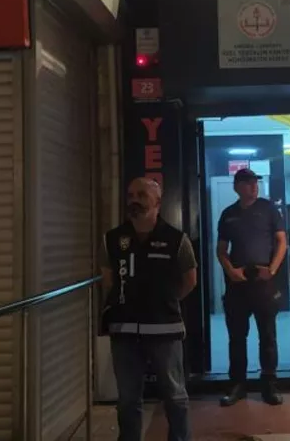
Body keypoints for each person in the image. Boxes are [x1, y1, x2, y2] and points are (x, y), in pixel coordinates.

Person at [100, 178, 197, 441]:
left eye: (142, 195)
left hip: (165, 329)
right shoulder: (112, 239)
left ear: (158, 202)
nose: (134, 199)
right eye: (131, 194)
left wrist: (163, 302)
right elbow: (108, 280)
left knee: (175, 396)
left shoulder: (176, 239)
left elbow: (190, 280)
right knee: (128, 399)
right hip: (124, 331)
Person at [216, 168, 288, 407]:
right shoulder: (228, 214)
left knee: (267, 336)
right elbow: (221, 250)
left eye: (255, 182)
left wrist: (273, 269)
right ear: (237, 187)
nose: (253, 186)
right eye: (248, 183)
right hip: (238, 282)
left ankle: (269, 385)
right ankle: (237, 385)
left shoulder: (269, 209)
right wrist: (230, 271)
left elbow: (282, 242)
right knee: (237, 337)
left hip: (263, 280)